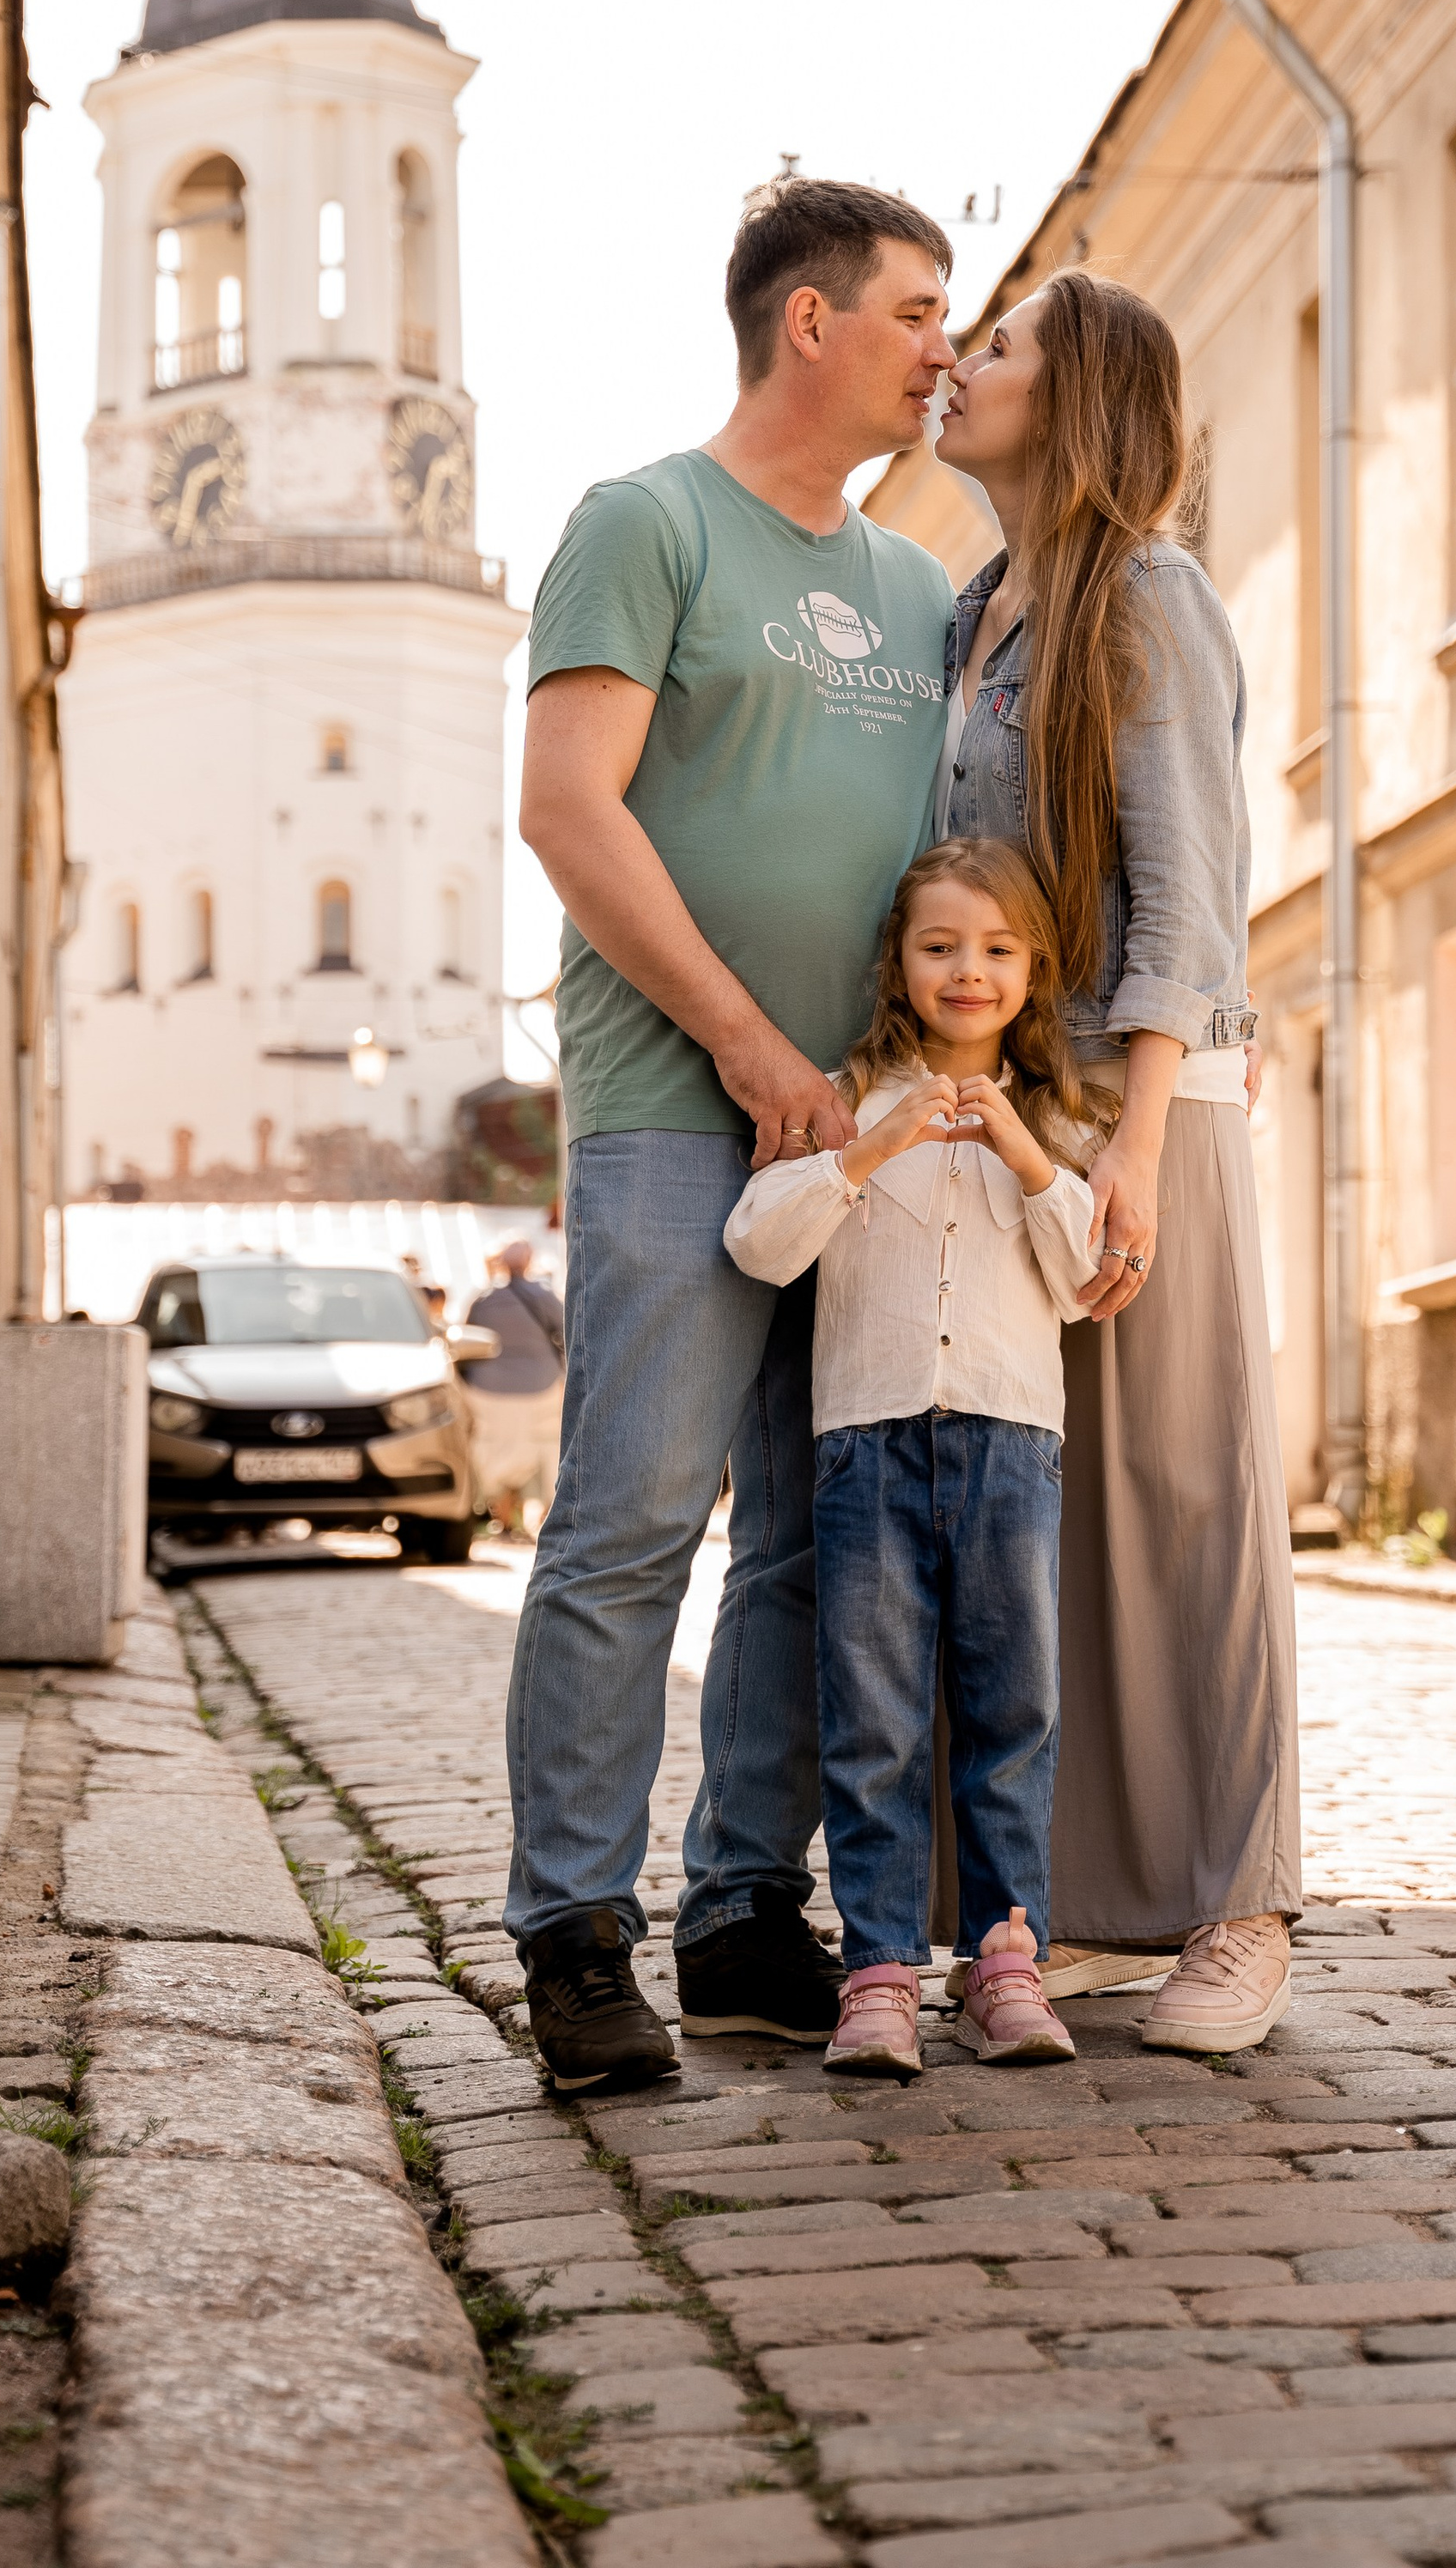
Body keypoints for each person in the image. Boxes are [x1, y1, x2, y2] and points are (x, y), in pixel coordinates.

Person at [507, 176, 959, 2092]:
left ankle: (744, 1914)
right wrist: (753, 1047)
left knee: (805, 1544)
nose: (943, 350)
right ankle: (570, 1933)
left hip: (862, 1146)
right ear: (809, 321)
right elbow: (567, 808)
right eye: (917, 311)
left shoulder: (920, 587)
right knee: (629, 1523)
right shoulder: (647, 524)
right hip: (677, 1120)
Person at [931, 265, 1299, 2054]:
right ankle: (1082, 1901)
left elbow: (1189, 889)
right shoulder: (968, 617)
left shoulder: (1149, 595)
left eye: (997, 345)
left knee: (1184, 1498)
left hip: (1147, 1102)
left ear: (1073, 396)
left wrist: (1137, 1143)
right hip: (1013, 1112)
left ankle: (1241, 1910)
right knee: (1044, 1517)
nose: (958, 362)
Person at [725, 840, 1101, 2080]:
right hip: (866, 1447)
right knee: (872, 1720)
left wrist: (1026, 1155)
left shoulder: (1059, 1114)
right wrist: (869, 1149)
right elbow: (759, 1245)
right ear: (898, 961)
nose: (967, 970)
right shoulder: (845, 1094)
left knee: (1012, 1713)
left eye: (997, 948)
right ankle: (879, 1973)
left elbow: (1090, 1282)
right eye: (940, 946)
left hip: (1010, 1445)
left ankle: (1003, 1964)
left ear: (1032, 970)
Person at [461, 1241, 566, 1535]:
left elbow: (467, 1337)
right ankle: (540, 1519)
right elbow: (567, 1332)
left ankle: (503, 1518)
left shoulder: (483, 1299)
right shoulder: (545, 1296)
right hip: (541, 1388)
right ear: (529, 1262)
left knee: (496, 1449)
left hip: (487, 1390)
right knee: (541, 1449)